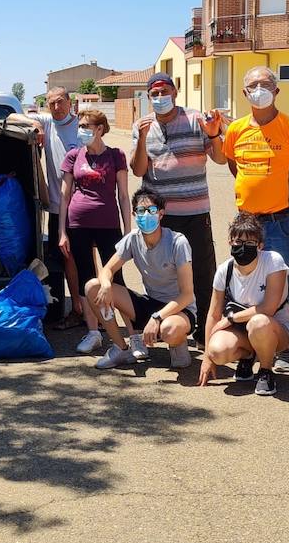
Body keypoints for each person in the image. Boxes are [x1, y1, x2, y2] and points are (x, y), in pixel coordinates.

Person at [222, 66, 289, 372]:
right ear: (244, 93)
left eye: (265, 84)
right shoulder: (235, 130)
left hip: (282, 221)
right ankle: (255, 342)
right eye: (253, 85)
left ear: (276, 91)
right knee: (247, 285)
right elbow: (234, 165)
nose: (259, 89)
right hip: (246, 222)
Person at [130, 72, 226, 339]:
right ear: (148, 98)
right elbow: (138, 169)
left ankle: (205, 331)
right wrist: (141, 138)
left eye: (165, 92)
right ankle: (172, 324)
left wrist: (214, 133)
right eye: (155, 94)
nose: (160, 98)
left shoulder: (196, 119)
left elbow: (220, 158)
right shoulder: (142, 125)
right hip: (161, 218)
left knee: (202, 272)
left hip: (195, 214)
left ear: (175, 92)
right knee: (167, 272)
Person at [85, 189, 196, 370]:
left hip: (179, 309)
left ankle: (177, 343)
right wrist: (105, 284)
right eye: (141, 211)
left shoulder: (178, 242)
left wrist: (157, 318)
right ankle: (121, 348)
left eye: (151, 210)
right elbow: (107, 268)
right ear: (134, 214)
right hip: (149, 302)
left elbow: (187, 295)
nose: (146, 215)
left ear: (161, 214)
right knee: (93, 287)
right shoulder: (133, 239)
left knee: (170, 331)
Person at [198, 212, 289, 396]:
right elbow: (213, 314)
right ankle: (249, 356)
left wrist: (232, 318)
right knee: (217, 351)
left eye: (250, 243)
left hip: (275, 329)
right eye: (238, 242)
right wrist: (207, 357)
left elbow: (268, 308)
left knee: (259, 322)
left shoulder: (273, 262)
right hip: (242, 331)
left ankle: (266, 370)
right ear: (230, 242)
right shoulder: (224, 270)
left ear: (260, 245)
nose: (243, 248)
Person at [59, 109, 130, 354]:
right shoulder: (73, 156)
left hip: (108, 224)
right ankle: (93, 332)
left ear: (100, 129)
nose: (82, 131)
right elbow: (64, 195)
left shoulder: (116, 155)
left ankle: (132, 334)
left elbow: (123, 195)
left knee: (115, 279)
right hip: (78, 224)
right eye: (80, 126)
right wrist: (62, 231)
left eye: (86, 126)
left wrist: (128, 230)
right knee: (87, 279)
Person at [30, 86, 85, 328]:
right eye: (51, 103)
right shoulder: (48, 122)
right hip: (56, 208)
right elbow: (12, 115)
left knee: (86, 258)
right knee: (67, 259)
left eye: (60, 102)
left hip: (82, 206)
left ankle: (94, 311)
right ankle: (77, 309)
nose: (56, 107)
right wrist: (39, 126)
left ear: (70, 102)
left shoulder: (81, 126)